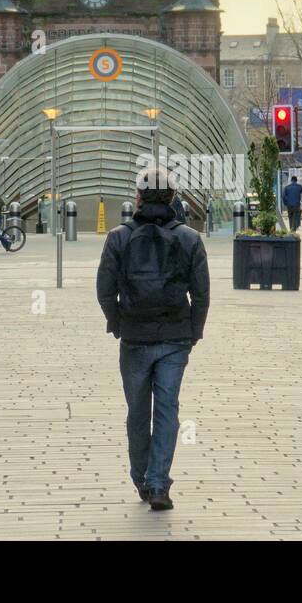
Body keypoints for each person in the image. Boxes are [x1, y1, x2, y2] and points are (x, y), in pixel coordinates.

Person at [96, 166, 209, 512]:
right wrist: (193, 332)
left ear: (139, 197)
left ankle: (141, 478)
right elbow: (201, 294)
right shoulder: (190, 239)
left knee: (137, 412)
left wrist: (117, 322)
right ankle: (159, 484)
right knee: (166, 410)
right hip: (174, 338)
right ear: (174, 199)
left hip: (134, 338)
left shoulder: (118, 238)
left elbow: (104, 290)